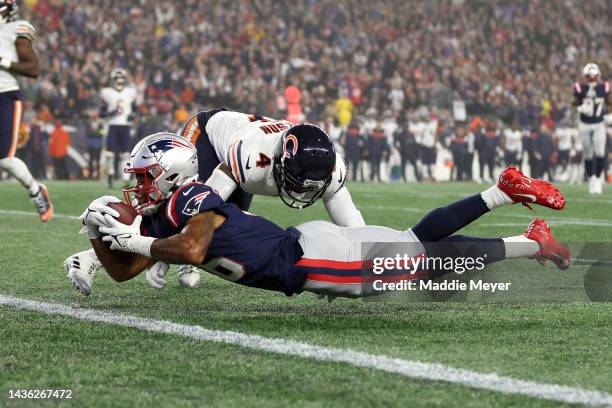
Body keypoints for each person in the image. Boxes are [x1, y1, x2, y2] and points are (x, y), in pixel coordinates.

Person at [80, 133, 569, 300]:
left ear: (169, 175)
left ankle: (532, 240)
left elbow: (191, 249)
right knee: (414, 242)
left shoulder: (187, 200)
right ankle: (503, 199)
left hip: (312, 261)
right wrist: (104, 237)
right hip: (307, 248)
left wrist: (129, 238)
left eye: (145, 177)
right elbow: (125, 272)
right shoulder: (167, 213)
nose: (138, 186)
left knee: (427, 260)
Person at [66, 110, 365, 295]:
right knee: (181, 213)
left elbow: (355, 228)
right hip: (210, 135)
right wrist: (165, 253)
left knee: (227, 222)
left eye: (308, 188)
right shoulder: (252, 159)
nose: (301, 194)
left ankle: (162, 257)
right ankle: (92, 256)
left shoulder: (330, 169)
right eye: (297, 183)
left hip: (242, 155)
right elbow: (197, 213)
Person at [0, 0, 52, 221]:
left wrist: (2, 61)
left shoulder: (15, 28)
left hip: (5, 94)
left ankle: (35, 191)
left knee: (5, 159)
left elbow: (33, 68)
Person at [573, 63, 612, 194]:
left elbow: (609, 101)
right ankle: (591, 179)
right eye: (589, 77)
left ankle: (597, 179)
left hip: (599, 123)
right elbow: (574, 103)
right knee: (588, 153)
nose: (591, 79)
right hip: (584, 124)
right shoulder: (579, 87)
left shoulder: (604, 86)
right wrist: (579, 108)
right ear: (585, 76)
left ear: (598, 76)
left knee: (600, 152)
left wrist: (610, 114)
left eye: (593, 77)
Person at [100, 68, 138, 188]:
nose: (119, 81)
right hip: (113, 125)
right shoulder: (107, 92)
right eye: (117, 78)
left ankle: (126, 178)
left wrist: (133, 115)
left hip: (125, 126)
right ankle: (111, 173)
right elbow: (102, 113)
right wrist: (111, 113)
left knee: (125, 154)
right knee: (110, 154)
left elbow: (135, 109)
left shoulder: (130, 92)